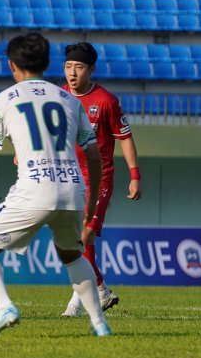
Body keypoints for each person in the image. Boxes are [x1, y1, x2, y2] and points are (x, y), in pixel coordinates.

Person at [0, 32, 112, 338]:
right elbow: (94, 157)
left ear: (11, 65)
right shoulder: (69, 99)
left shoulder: (1, 102)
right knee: (72, 254)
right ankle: (99, 324)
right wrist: (90, 207)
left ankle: (4, 307)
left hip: (34, 189)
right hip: (72, 189)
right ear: (49, 63)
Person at [60, 41, 141, 317]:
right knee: (76, 240)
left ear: (91, 69)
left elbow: (125, 137)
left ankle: (83, 300)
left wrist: (134, 175)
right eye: (68, 66)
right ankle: (99, 291)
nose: (73, 73)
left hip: (99, 178)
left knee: (83, 236)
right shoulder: (59, 96)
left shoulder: (106, 101)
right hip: (67, 176)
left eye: (79, 67)